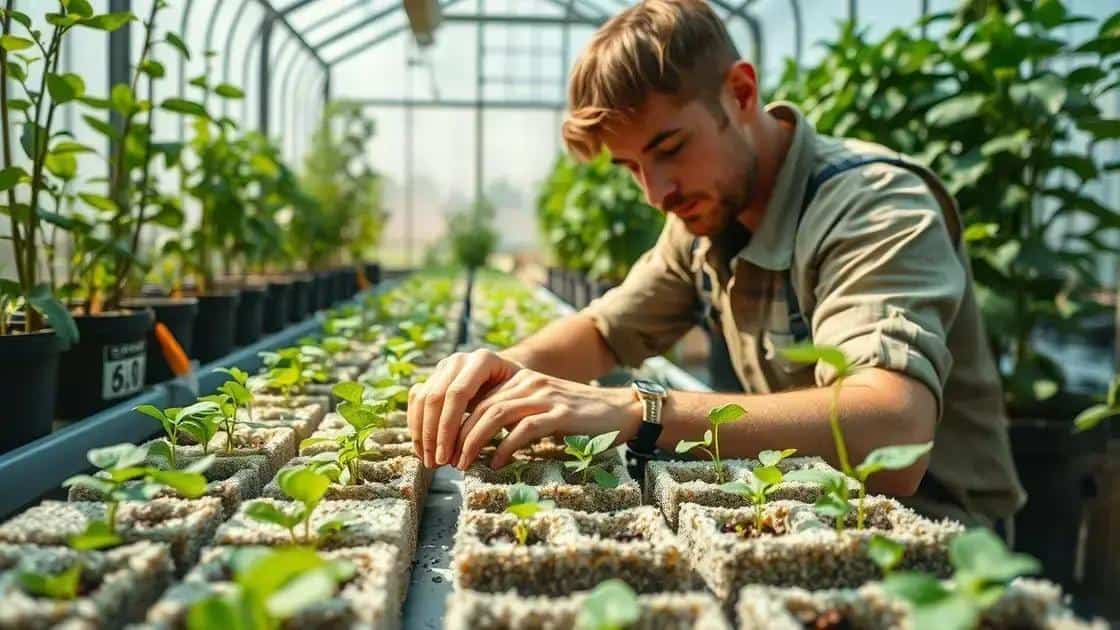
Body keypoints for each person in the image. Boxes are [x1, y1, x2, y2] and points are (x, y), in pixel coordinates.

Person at [407, 0, 1024, 527]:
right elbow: (604, 331)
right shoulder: (703, 217)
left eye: (670, 148)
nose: (656, 193)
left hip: (940, 537)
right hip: (817, 511)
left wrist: (640, 411)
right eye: (631, 168)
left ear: (741, 93)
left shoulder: (872, 204)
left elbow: (895, 428)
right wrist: (499, 372)